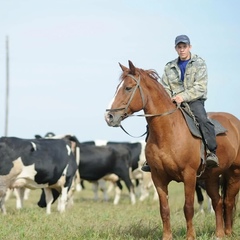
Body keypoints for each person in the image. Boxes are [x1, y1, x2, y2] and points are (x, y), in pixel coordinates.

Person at [142, 34, 219, 172]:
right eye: (179, 47)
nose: (182, 49)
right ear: (176, 48)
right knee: (153, 122)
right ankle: (150, 158)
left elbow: (200, 87)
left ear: (190, 47)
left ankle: (211, 152)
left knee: (202, 120)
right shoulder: (169, 66)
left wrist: (182, 97)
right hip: (172, 102)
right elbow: (164, 86)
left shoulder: (199, 63)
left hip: (194, 100)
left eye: (184, 46)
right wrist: (170, 98)